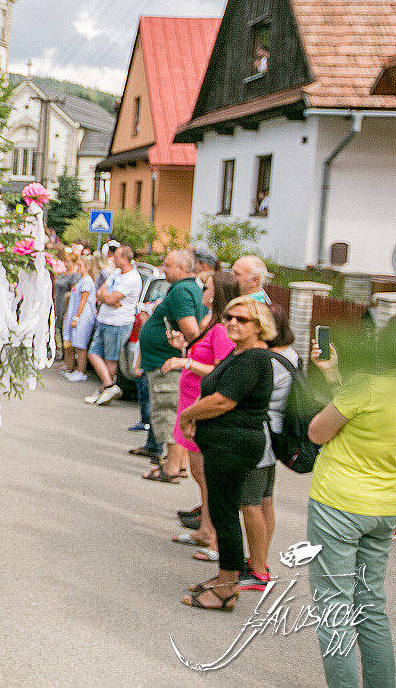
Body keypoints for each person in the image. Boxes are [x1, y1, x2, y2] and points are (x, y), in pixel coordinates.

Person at [306, 324, 396, 688]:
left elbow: (318, 432)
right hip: (384, 508)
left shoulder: (366, 386)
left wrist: (335, 380)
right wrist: (333, 376)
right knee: (372, 605)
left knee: (334, 605)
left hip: (337, 503)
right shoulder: (364, 389)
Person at [177, 294, 277, 610]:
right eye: (229, 317)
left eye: (242, 319)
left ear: (259, 325)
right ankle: (225, 578)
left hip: (233, 446)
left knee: (225, 515)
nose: (233, 323)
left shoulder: (254, 358)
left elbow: (223, 400)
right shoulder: (239, 353)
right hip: (223, 444)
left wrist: (188, 415)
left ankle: (226, 589)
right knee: (223, 513)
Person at [163, 271, 240, 562]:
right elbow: (202, 356)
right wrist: (183, 348)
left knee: (206, 475)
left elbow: (221, 370)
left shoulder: (221, 329)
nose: (202, 291)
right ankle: (205, 530)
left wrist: (185, 362)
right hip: (190, 401)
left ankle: (215, 536)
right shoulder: (210, 322)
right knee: (198, 473)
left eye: (206, 287)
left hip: (201, 404)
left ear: (216, 293)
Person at [236, 303, 295, 593]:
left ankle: (258, 570)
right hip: (274, 434)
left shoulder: (268, 360)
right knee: (265, 500)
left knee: (250, 503)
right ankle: (260, 560)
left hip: (259, 435)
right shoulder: (290, 354)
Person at [139, 250, 203, 483]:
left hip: (167, 365)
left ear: (182, 269)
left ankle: (171, 468)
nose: (163, 269)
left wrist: (185, 351)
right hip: (168, 362)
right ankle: (179, 464)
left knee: (168, 415)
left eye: (167, 265)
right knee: (173, 413)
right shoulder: (188, 288)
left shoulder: (182, 291)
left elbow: (192, 331)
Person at [83, 245, 142, 405]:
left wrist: (107, 298)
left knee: (110, 359)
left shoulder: (132, 278)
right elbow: (101, 292)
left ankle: (106, 388)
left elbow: (109, 298)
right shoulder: (116, 273)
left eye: (116, 256)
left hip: (118, 323)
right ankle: (108, 386)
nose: (113, 259)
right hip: (104, 319)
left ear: (124, 258)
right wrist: (107, 298)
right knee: (93, 353)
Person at [61, 256, 96, 381]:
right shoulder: (81, 280)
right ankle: (75, 369)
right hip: (75, 314)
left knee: (80, 345)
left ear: (87, 267)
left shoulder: (87, 280)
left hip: (83, 317)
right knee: (75, 343)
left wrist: (76, 317)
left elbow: (83, 300)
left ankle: (81, 371)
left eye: (80, 265)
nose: (78, 268)